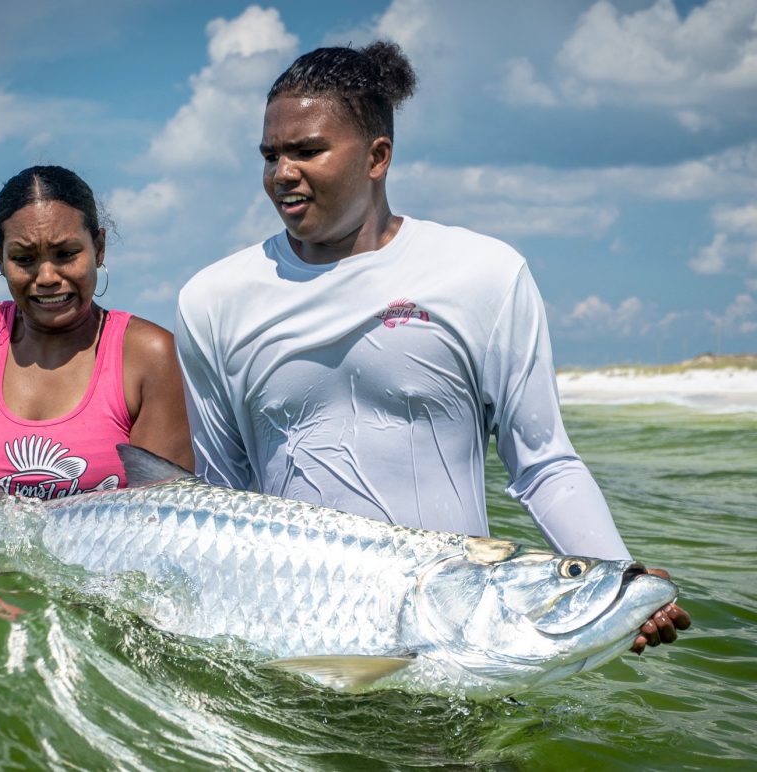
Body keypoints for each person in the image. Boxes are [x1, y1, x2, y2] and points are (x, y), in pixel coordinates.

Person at [175, 43, 688, 653]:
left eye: (307, 151)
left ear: (377, 156)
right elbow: (221, 498)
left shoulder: (482, 274)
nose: (282, 173)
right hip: (290, 638)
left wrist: (617, 581)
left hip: (457, 641)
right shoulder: (213, 299)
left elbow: (543, 462)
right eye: (270, 155)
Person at [0, 165, 192, 504]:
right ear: (0, 258)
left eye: (66, 254)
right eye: (24, 259)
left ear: (99, 247)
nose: (48, 276)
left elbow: (163, 512)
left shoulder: (149, 356)